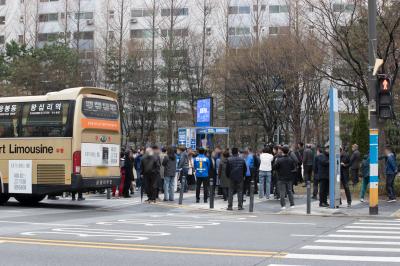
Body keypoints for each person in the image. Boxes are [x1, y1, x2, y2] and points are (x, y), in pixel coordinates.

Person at [273, 145, 295, 210]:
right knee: (290, 191)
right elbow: (293, 168)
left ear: (282, 151)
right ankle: (292, 204)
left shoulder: (279, 160)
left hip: (281, 178)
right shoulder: (290, 160)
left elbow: (274, 167)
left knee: (282, 192)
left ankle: (283, 205)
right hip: (289, 177)